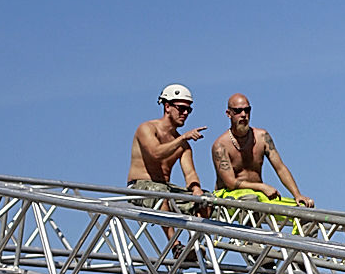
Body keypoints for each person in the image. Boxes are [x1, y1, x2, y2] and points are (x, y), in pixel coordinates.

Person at [127, 84, 210, 246]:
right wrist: (182, 138)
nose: (185, 113)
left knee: (206, 201)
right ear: (167, 107)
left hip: (165, 188)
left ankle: (195, 246)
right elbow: (156, 153)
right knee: (162, 194)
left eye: (189, 110)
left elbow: (190, 173)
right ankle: (175, 245)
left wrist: (196, 190)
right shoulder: (147, 129)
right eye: (181, 108)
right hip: (140, 187)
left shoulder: (183, 144)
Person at [211, 93, 314, 210]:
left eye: (247, 110)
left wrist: (297, 194)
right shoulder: (221, 145)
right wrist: (262, 187)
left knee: (303, 209)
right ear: (228, 114)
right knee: (251, 200)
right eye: (238, 111)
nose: (243, 115)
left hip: (259, 196)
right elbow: (230, 183)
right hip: (230, 197)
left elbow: (280, 168)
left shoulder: (262, 137)